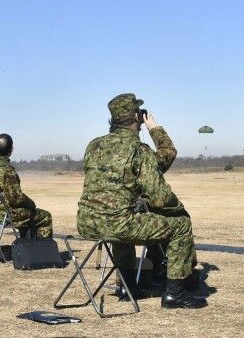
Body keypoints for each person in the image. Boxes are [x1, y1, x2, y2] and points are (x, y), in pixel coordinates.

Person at [77, 93, 206, 309]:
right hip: (120, 223)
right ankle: (175, 293)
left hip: (87, 223)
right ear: (137, 117)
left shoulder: (94, 146)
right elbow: (160, 196)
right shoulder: (139, 150)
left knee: (121, 226)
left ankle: (127, 286)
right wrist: (154, 128)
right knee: (181, 225)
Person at [0, 133, 53, 238]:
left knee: (25, 215)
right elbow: (16, 198)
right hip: (6, 215)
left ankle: (24, 247)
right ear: (11, 150)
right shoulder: (7, 170)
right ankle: (42, 251)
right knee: (45, 216)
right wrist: (31, 203)